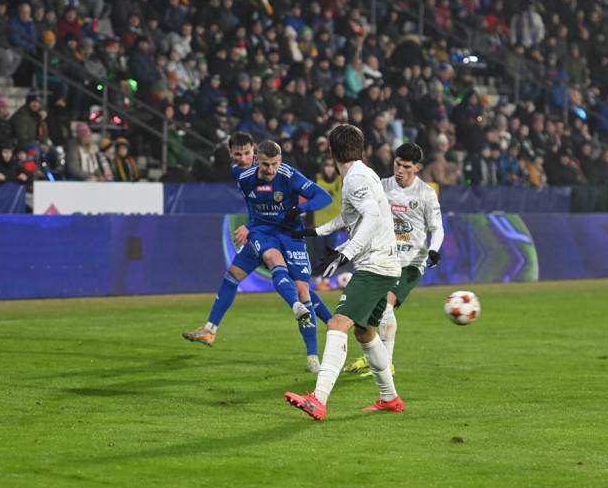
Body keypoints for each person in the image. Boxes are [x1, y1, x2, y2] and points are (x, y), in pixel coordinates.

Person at [182, 133, 335, 372]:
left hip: (291, 236)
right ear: (253, 160)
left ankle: (317, 347)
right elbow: (257, 211)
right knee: (235, 274)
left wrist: (300, 208)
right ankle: (210, 329)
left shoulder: (287, 174)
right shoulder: (241, 176)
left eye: (274, 164)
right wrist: (250, 226)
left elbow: (324, 197)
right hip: (262, 233)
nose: (270, 169)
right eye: (239, 154)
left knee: (302, 289)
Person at [286, 124, 404, 420]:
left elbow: (372, 217)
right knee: (366, 333)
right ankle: (390, 398)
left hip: (375, 266)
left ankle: (318, 398)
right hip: (384, 265)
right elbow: (350, 215)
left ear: (331, 151)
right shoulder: (361, 174)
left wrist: (344, 253)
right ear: (360, 149)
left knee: (337, 323)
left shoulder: (356, 178)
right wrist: (314, 231)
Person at [343, 142, 443, 377]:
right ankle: (372, 359)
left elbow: (437, 228)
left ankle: (386, 364)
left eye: (406, 166)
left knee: (386, 306)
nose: (399, 169)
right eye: (397, 164)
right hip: (381, 259)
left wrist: (434, 250)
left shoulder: (426, 193)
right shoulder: (381, 187)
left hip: (410, 263)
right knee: (364, 316)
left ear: (417, 168)